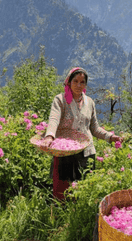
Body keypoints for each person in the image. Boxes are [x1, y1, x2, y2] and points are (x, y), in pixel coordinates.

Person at [40, 67, 122, 200]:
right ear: (69, 82)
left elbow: (94, 128)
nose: (79, 85)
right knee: (61, 191)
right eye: (75, 81)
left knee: (82, 191)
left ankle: (78, 218)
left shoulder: (89, 102)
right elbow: (54, 119)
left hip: (86, 153)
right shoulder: (60, 100)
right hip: (64, 153)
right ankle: (60, 218)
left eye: (82, 82)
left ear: (85, 84)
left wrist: (110, 136)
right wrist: (49, 136)